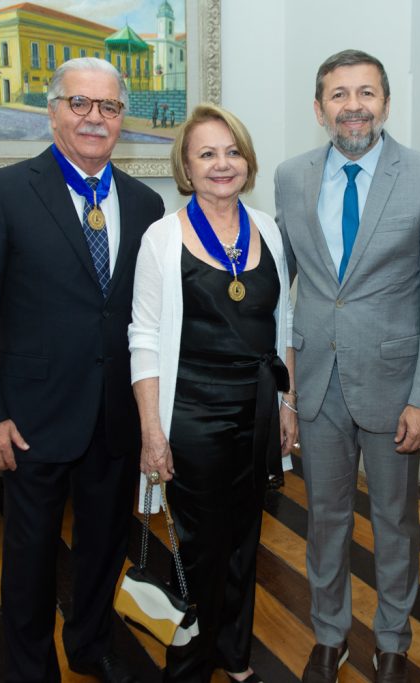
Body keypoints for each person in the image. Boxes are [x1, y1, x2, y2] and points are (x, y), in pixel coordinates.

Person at [0, 57, 165, 683]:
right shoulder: (4, 192)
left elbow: (147, 318)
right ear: (53, 110)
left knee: (102, 550)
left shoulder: (147, 203)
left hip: (115, 416)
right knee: (31, 557)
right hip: (31, 418)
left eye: (109, 107)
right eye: (80, 104)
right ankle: (29, 668)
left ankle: (90, 645)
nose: (95, 118)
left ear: (122, 117)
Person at [274, 49, 420, 683]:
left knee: (394, 523)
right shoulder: (290, 176)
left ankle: (392, 641)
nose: (353, 105)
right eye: (339, 94)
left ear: (385, 102)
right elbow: (278, 292)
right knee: (323, 520)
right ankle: (330, 635)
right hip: (317, 386)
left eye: (366, 93)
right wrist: (284, 393)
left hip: (394, 387)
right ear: (319, 108)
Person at [130, 104, 295, 683]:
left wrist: (287, 406)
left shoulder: (269, 228)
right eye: (207, 153)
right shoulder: (161, 237)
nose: (222, 164)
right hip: (191, 415)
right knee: (201, 545)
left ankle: (234, 651)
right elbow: (144, 339)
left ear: (247, 161)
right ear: (186, 165)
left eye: (232, 151)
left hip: (256, 412)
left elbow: (284, 323)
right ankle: (191, 662)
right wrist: (153, 432)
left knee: (247, 537)